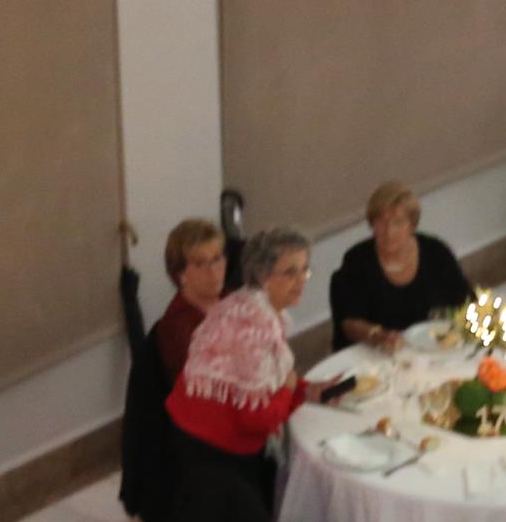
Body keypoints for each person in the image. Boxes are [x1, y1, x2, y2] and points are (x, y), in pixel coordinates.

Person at [170, 225, 346, 497]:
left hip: (204, 440)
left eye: (304, 270)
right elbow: (258, 420)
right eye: (290, 272)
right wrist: (289, 388)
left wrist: (306, 391)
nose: (302, 281)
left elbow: (262, 384)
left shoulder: (250, 305)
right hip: (211, 456)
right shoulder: (252, 327)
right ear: (264, 277)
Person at [329, 183, 474, 352]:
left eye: (398, 222)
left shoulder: (436, 252)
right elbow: (349, 322)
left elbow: (466, 301)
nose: (389, 231)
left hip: (434, 349)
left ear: (412, 225)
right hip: (377, 352)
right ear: (372, 224)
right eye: (381, 222)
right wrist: (378, 336)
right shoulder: (357, 260)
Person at [153, 217, 227, 379]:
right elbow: (202, 383)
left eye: (217, 259)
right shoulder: (177, 327)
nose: (213, 271)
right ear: (181, 274)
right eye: (201, 263)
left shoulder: (232, 300)